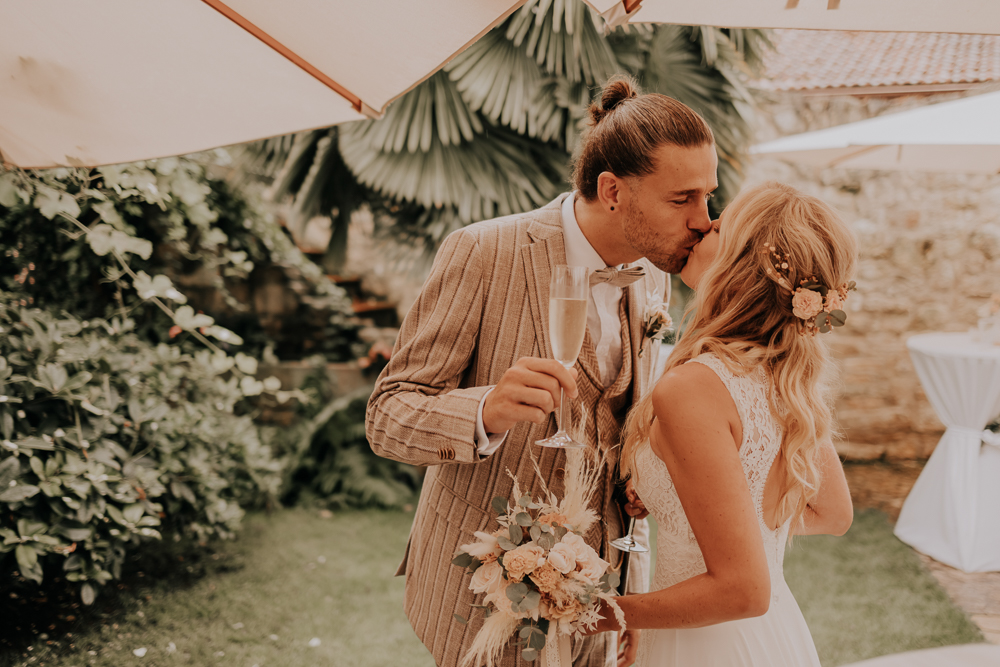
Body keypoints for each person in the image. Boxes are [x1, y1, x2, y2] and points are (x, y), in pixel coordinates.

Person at [366, 76, 717, 667]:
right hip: (485, 596)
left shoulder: (653, 273)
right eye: (682, 199)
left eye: (707, 196)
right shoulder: (483, 252)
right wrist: (485, 411)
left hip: (601, 598)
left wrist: (631, 592)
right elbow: (387, 414)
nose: (704, 220)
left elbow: (621, 424)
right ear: (612, 190)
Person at [589, 181, 857, 666]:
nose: (703, 225)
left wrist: (602, 613)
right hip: (774, 636)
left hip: (713, 648)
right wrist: (692, 506)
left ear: (739, 264)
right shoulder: (784, 374)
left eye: (719, 226)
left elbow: (742, 591)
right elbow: (833, 513)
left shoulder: (694, 387)